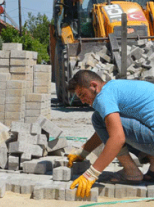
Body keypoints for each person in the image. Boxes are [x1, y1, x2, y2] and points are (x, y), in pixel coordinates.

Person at [66, 70, 154, 198]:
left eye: (83, 94)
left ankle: (131, 172)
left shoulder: (103, 96)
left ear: (94, 86)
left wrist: (91, 174)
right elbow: (111, 126)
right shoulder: (115, 87)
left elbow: (117, 137)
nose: (83, 101)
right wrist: (84, 151)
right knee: (109, 122)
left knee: (98, 118)